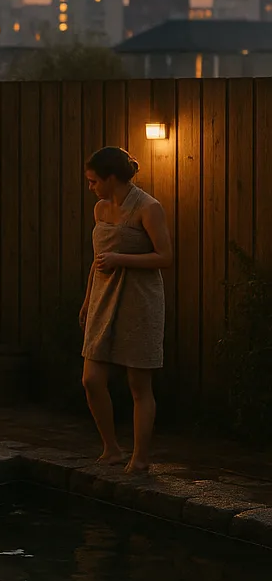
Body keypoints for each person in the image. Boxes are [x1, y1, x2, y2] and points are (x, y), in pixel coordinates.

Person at [81, 146, 172, 475]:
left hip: (139, 301)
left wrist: (122, 260)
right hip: (104, 299)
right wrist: (88, 299)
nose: (91, 187)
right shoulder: (101, 210)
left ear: (111, 178)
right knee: (91, 379)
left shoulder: (148, 208)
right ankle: (112, 448)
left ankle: (140, 457)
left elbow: (165, 257)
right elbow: (98, 258)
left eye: (94, 181)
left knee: (138, 384)